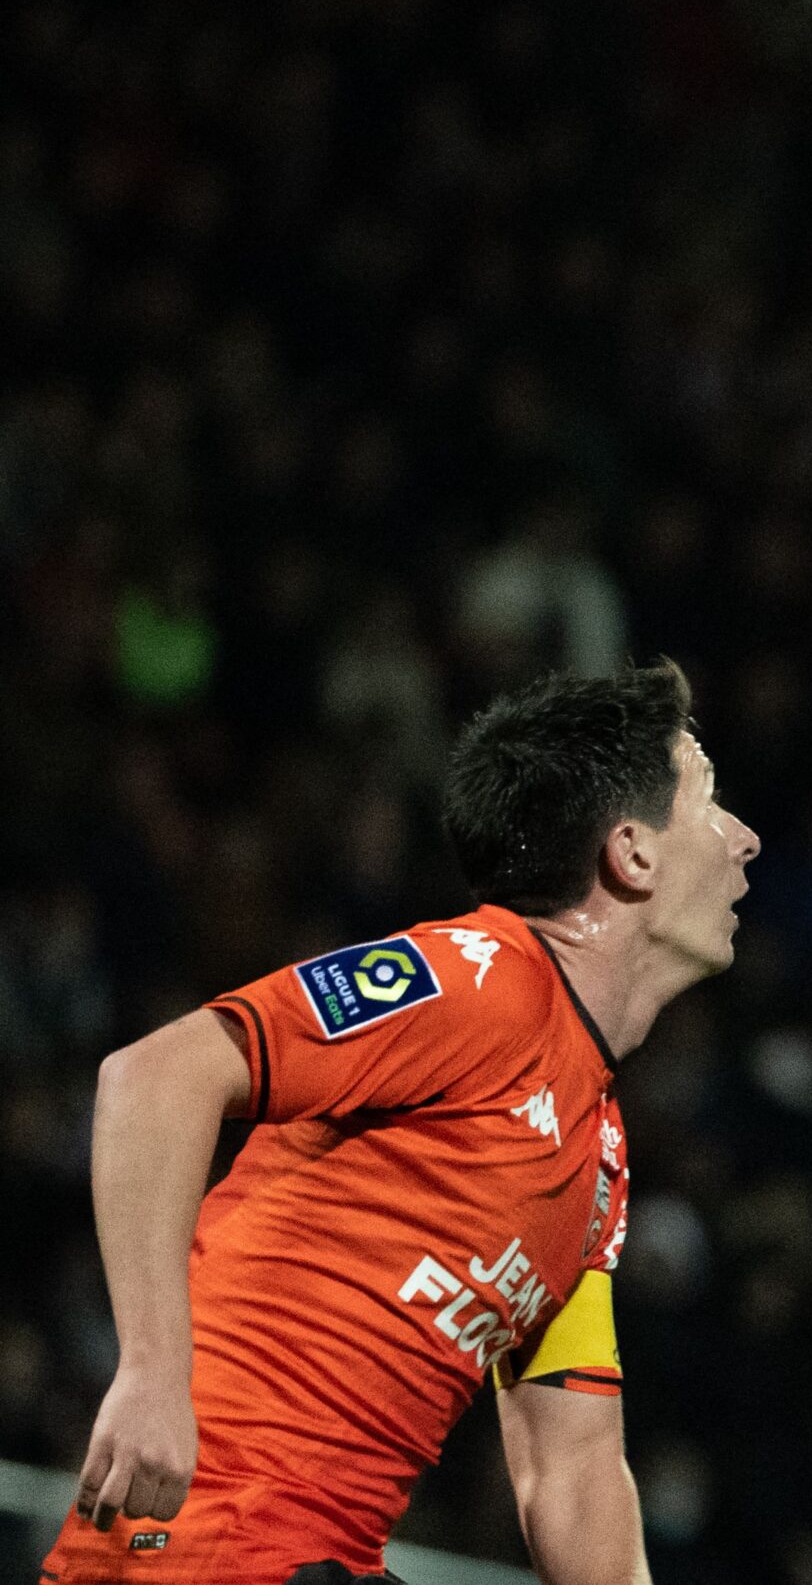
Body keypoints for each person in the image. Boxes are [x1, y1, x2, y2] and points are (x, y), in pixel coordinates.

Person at [44, 662, 759, 1585]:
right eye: (709, 801)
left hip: (312, 1562)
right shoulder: (482, 980)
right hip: (199, 1538)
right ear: (632, 854)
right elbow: (155, 1077)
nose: (743, 838)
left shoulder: (598, 1151)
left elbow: (572, 1469)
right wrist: (149, 1373)